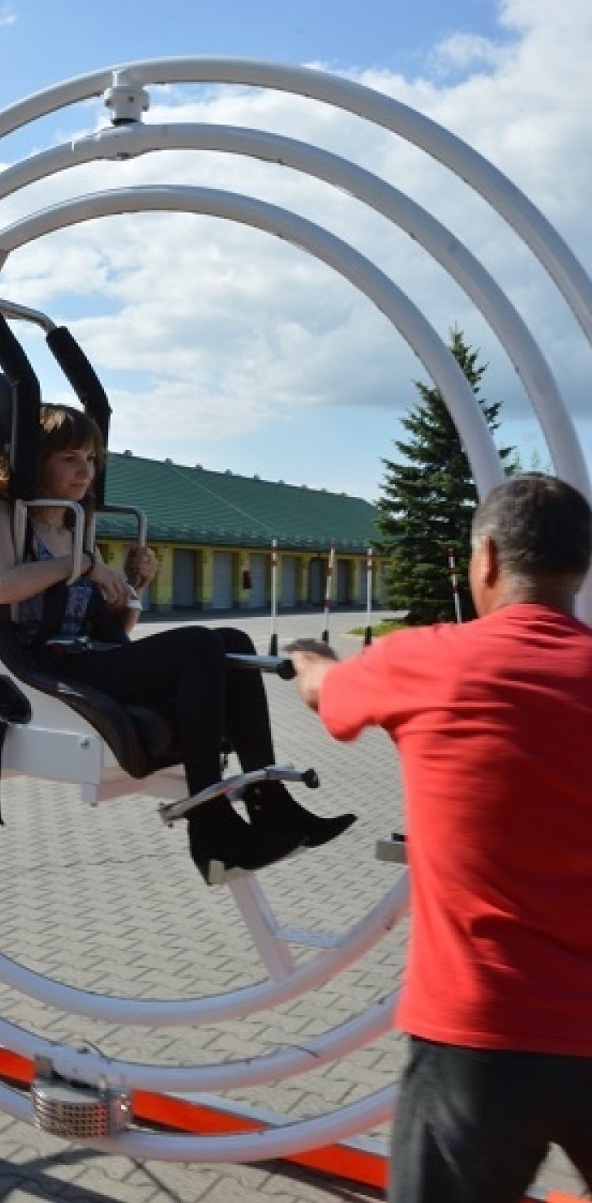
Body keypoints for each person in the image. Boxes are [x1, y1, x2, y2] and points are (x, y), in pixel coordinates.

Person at [289, 473, 592, 1203]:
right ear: (581, 569)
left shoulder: (424, 659)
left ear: (484, 559)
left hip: (477, 1036)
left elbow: (324, 692)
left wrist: (306, 656)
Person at [0, 402, 356, 887]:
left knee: (232, 640)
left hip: (91, 654)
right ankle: (210, 824)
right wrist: (84, 566)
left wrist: (134, 585)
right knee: (199, 644)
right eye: (71, 458)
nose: (85, 471)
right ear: (37, 462)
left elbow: (117, 625)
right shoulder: (7, 516)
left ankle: (272, 803)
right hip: (46, 665)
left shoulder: (72, 527)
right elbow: (0, 586)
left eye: (91, 459)